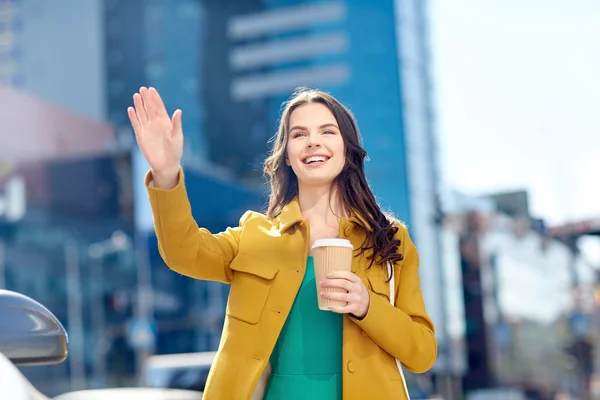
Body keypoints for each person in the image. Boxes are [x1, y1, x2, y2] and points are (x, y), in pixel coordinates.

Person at [127, 86, 437, 400]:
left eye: (327, 131)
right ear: (287, 154)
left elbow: (422, 353)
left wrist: (368, 306)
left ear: (347, 148)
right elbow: (184, 253)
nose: (313, 141)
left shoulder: (390, 239)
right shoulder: (255, 235)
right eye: (299, 134)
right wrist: (165, 173)